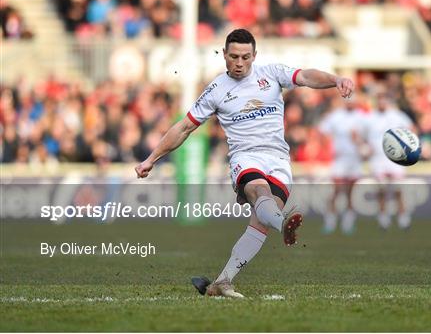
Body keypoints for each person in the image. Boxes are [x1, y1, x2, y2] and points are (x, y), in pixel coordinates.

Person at [134, 29, 354, 298]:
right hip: (246, 157)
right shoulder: (216, 90)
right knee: (261, 194)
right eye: (234, 56)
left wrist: (336, 79)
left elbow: (306, 76)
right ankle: (283, 223)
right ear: (224, 54)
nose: (239, 63)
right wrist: (151, 159)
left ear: (254, 56)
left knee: (260, 224)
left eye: (246, 57)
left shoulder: (271, 74)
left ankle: (222, 283)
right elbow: (183, 128)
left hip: (279, 159)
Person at [364, 84, 414, 230]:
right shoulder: (369, 117)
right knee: (381, 190)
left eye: (384, 99)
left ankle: (403, 219)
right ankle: (383, 219)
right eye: (379, 100)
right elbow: (357, 134)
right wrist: (364, 147)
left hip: (395, 158)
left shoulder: (396, 115)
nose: (381, 102)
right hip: (378, 159)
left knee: (398, 189)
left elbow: (411, 129)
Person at [318, 99, 369, 234]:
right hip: (340, 160)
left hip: (355, 160)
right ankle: (330, 222)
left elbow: (368, 137)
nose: (350, 103)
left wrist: (361, 145)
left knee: (350, 194)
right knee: (337, 190)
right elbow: (322, 131)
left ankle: (348, 224)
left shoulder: (362, 117)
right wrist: (328, 148)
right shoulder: (336, 115)